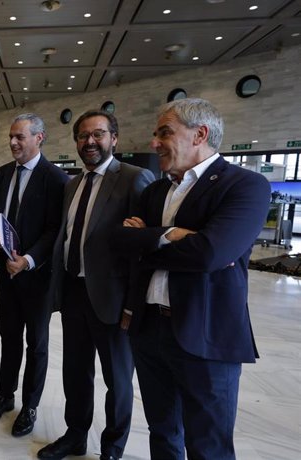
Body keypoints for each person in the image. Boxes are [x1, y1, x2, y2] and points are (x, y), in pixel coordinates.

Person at [117, 98, 270, 459]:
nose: (154, 143)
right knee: (163, 432)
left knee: (208, 445)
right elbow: (123, 242)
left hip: (205, 335)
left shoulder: (244, 186)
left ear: (200, 134)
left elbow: (210, 254)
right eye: (156, 134)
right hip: (150, 330)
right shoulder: (155, 190)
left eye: (165, 133)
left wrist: (150, 237)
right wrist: (173, 235)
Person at [38, 111, 154, 460]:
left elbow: (143, 248)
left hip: (114, 300)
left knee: (117, 380)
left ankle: (112, 447)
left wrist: (133, 304)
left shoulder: (135, 178)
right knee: (75, 372)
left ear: (114, 138)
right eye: (83, 136)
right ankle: (75, 435)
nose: (90, 142)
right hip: (74, 290)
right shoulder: (72, 183)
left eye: (98, 134)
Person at [0, 113, 68, 437]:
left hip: (38, 278)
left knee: (37, 344)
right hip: (7, 275)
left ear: (39, 138)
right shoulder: (4, 173)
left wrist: (29, 260)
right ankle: (5, 395)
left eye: (20, 137)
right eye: (12, 137)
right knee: (9, 337)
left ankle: (30, 404)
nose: (14, 142)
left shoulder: (56, 178)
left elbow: (53, 230)